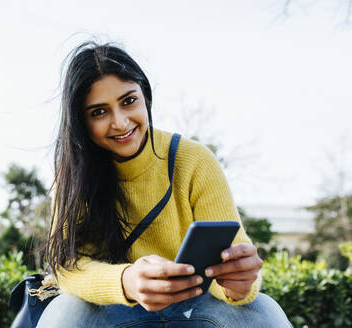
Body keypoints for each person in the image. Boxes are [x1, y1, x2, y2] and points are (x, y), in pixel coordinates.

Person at [37, 41, 292, 327]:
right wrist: (126, 281)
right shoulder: (72, 176)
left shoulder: (194, 160)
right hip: (117, 307)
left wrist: (237, 284)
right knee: (64, 313)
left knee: (264, 310)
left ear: (146, 97)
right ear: (81, 121)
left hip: (196, 304)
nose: (120, 122)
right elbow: (68, 268)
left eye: (128, 101)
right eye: (99, 112)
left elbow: (233, 256)